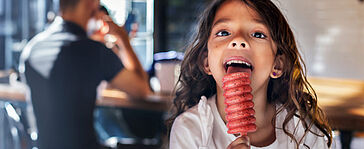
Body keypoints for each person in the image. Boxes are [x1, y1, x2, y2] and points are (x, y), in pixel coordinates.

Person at [168, 0, 332, 149]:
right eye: (224, 32)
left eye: (258, 34)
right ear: (206, 62)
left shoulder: (303, 132)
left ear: (277, 64)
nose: (239, 39)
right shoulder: (191, 128)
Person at [19, 0, 152, 149]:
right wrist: (123, 38)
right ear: (90, 3)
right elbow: (142, 90)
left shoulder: (31, 49)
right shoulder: (92, 50)